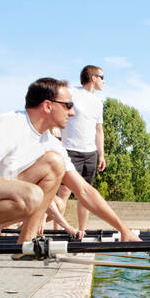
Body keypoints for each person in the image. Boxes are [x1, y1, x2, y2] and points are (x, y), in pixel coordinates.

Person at [0, 77, 139, 261]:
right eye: (67, 105)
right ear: (48, 106)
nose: (73, 112)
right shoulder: (7, 125)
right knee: (32, 195)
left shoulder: (51, 143)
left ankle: (25, 245)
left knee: (54, 167)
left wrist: (123, 229)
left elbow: (83, 190)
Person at [55, 64, 105, 235]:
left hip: (90, 153)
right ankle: (58, 231)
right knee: (63, 192)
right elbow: (58, 110)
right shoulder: (72, 93)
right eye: (102, 77)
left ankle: (81, 232)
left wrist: (101, 154)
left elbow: (99, 130)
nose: (104, 82)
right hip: (70, 149)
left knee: (85, 195)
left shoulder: (98, 103)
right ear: (93, 77)